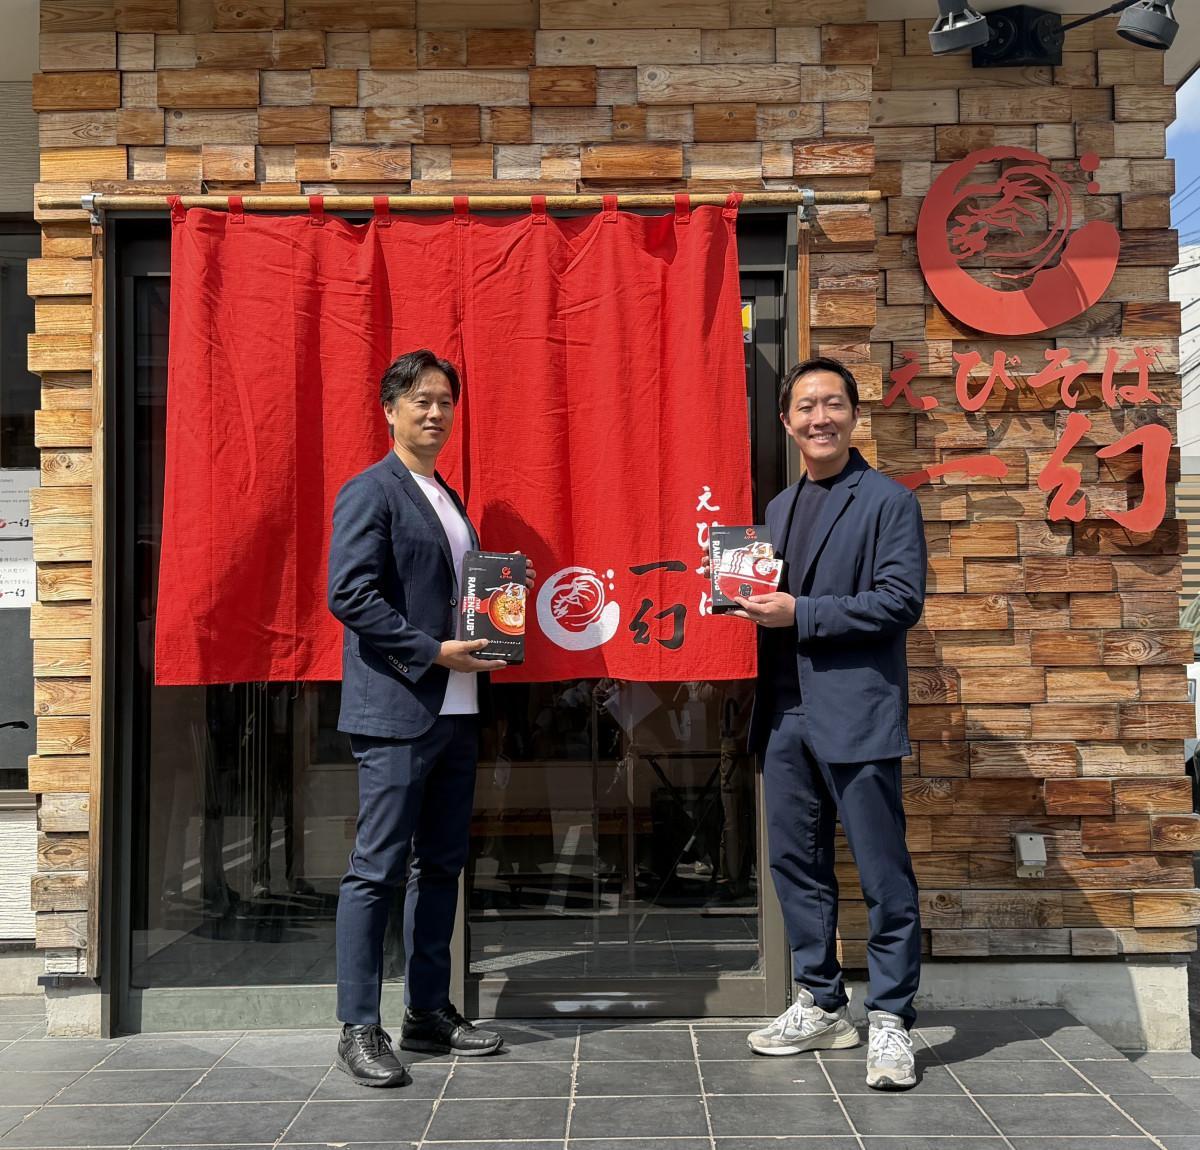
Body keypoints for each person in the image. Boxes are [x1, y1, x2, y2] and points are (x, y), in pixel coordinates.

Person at [327, 349, 534, 1087]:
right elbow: (349, 593)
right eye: (419, 399)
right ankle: (358, 1026)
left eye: (445, 400)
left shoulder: (447, 496)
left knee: (440, 866)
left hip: (456, 711)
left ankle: (427, 1012)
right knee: (375, 870)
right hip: (397, 708)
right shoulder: (371, 490)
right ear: (389, 410)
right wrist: (432, 651)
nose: (435, 412)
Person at [730, 356, 926, 1090]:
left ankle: (893, 1018)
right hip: (784, 713)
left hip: (856, 712)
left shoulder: (887, 502)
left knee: (882, 870)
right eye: (807, 407)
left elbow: (900, 601)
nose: (821, 418)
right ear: (787, 422)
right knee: (796, 865)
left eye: (834, 404)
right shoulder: (779, 509)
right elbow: (772, 603)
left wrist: (800, 613)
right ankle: (821, 1002)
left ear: (853, 415)